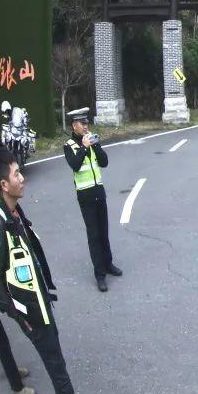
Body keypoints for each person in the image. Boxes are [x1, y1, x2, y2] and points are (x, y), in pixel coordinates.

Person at [0, 148, 78, 394]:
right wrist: (17, 315)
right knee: (59, 371)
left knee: (57, 362)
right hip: (32, 313)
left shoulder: (14, 209)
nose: (23, 178)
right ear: (4, 185)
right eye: (17, 174)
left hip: (40, 302)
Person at [63, 108, 122, 292]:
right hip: (85, 196)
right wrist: (84, 147)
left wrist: (95, 145)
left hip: (99, 192)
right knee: (94, 235)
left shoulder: (92, 140)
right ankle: (100, 274)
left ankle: (108, 264)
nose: (85, 126)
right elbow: (75, 165)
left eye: (86, 123)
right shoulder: (69, 146)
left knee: (104, 231)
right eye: (82, 124)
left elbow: (104, 162)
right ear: (74, 125)